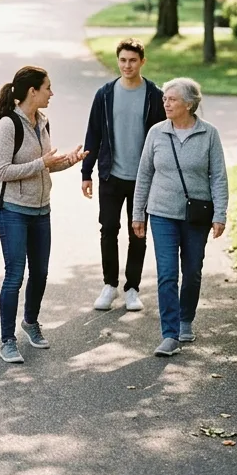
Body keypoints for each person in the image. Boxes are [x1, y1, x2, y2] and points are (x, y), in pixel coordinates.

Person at [0, 66, 86, 364]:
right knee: (14, 275)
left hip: (41, 209)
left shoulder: (42, 121)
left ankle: (30, 322)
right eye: (47, 88)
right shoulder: (8, 124)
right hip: (13, 211)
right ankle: (7, 340)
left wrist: (67, 161)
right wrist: (41, 163)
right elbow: (2, 172)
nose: (51, 93)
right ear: (32, 91)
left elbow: (45, 164)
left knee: (41, 273)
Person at [131, 78, 229, 358]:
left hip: (196, 215)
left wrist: (220, 213)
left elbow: (219, 177)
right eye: (165, 99)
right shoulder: (156, 132)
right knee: (167, 274)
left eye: (172, 99)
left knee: (193, 272)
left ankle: (186, 318)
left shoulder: (209, 134)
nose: (166, 103)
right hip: (161, 213)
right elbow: (145, 175)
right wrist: (139, 213)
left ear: (189, 103)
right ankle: (170, 334)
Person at [81, 38, 165, 313]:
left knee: (137, 232)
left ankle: (132, 288)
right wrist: (86, 172)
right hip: (110, 174)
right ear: (117, 61)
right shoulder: (105, 94)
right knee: (108, 229)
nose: (127, 65)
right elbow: (93, 133)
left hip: (143, 178)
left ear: (142, 61)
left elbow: (164, 139)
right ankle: (109, 285)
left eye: (132, 60)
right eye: (122, 60)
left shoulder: (155, 95)